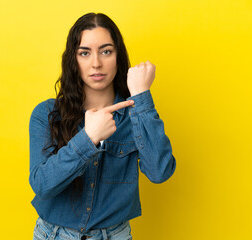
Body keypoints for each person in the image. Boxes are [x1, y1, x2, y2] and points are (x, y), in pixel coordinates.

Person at [29, 12, 176, 240]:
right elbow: (42, 184)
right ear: (73, 59)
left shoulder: (134, 115)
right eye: (84, 53)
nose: (96, 63)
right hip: (54, 235)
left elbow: (160, 172)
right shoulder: (47, 114)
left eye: (106, 51)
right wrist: (88, 138)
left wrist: (142, 97)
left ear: (118, 56)